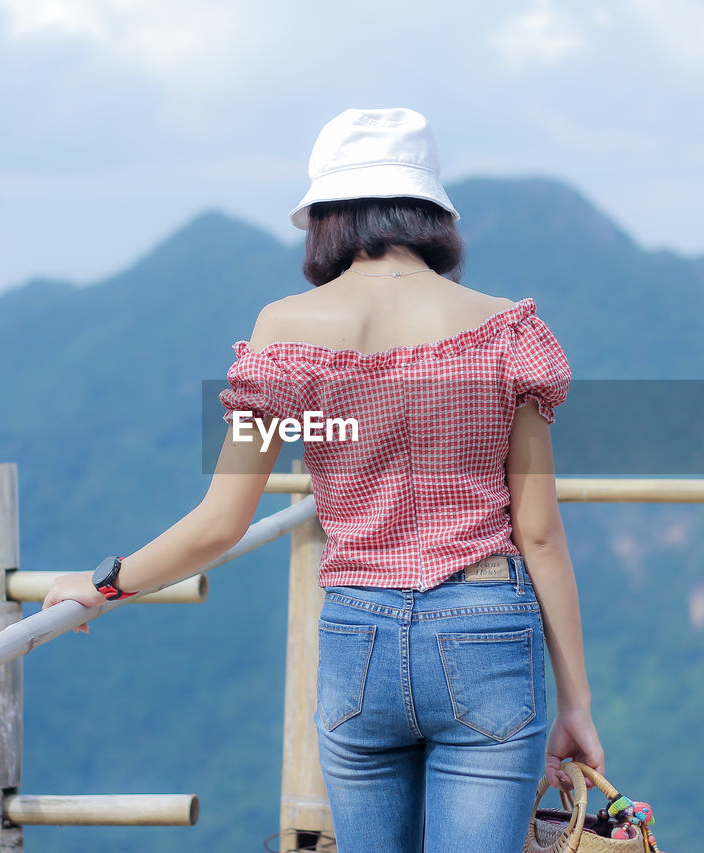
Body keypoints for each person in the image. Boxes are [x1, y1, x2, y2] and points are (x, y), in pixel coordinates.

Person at [43, 107, 604, 852]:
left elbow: (221, 521)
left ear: (324, 219)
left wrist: (105, 582)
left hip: (358, 635)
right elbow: (538, 529)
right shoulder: (506, 331)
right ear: (433, 212)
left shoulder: (284, 330)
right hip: (485, 629)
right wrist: (577, 703)